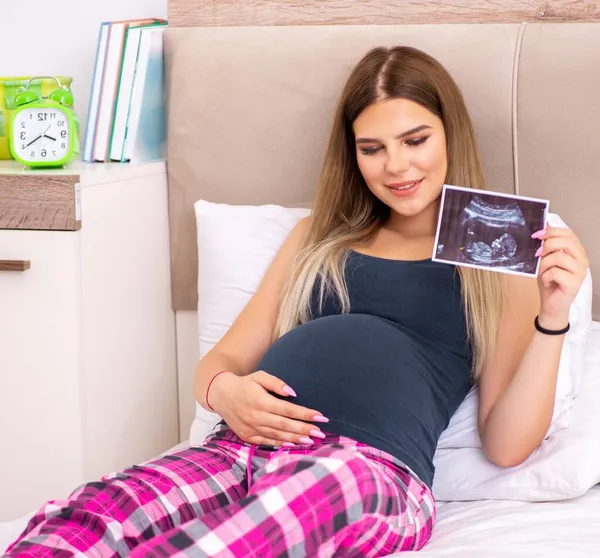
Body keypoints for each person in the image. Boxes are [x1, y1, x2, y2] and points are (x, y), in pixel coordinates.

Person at [6, 45, 589, 558]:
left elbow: (507, 445)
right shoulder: (317, 238)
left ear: (450, 134)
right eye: (372, 148)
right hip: (238, 449)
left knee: (223, 543)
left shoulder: (492, 256)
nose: (397, 166)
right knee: (86, 519)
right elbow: (221, 362)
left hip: (365, 472)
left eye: (415, 140)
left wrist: (553, 316)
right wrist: (224, 392)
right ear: (353, 156)